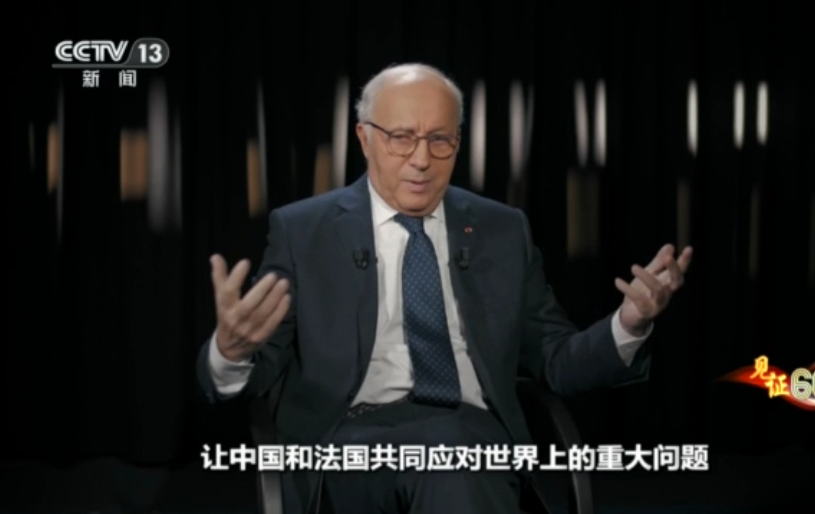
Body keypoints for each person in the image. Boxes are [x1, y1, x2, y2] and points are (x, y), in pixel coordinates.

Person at [197, 63, 692, 514]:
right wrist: (231, 353)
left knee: (455, 455)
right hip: (347, 443)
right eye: (401, 138)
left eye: (440, 140)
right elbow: (261, 366)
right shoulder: (304, 230)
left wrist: (629, 324)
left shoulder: (502, 230)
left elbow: (556, 360)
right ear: (364, 138)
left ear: (458, 141)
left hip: (470, 434)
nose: (421, 159)